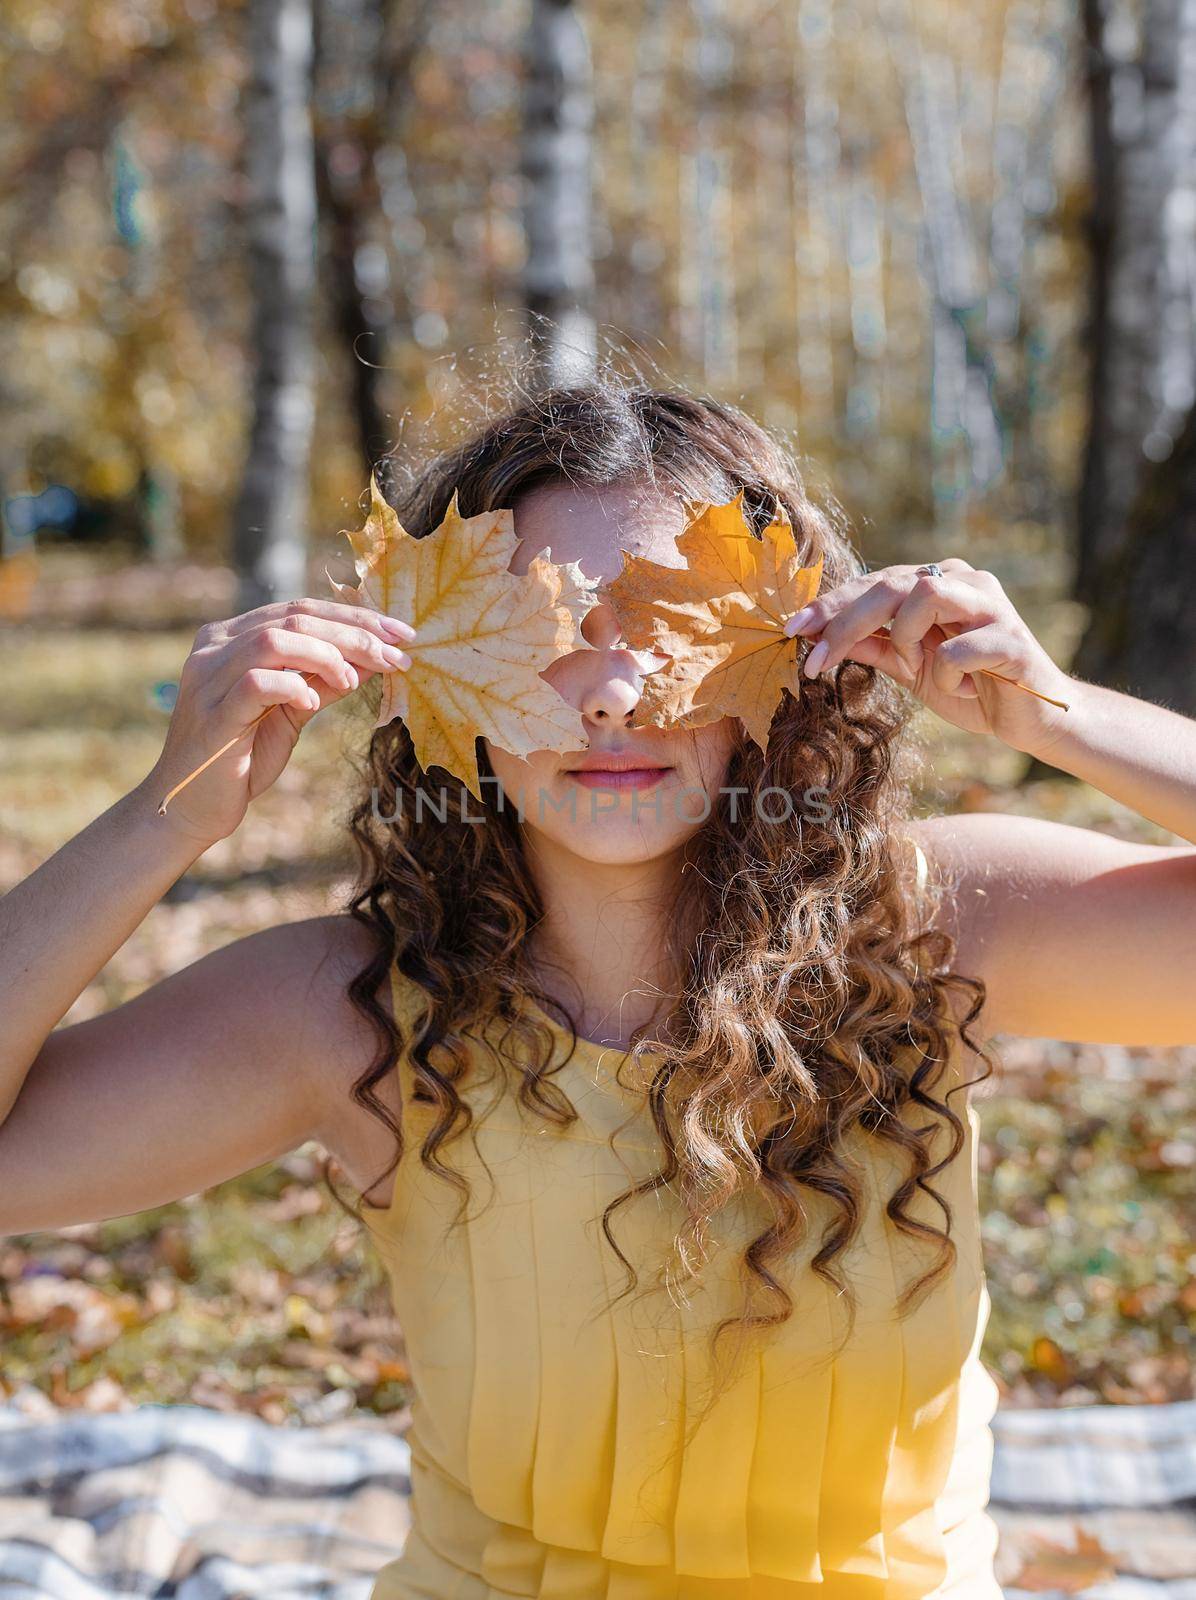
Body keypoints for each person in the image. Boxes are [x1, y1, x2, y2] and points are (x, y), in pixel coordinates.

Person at [2, 381, 1194, 1600]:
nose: (614, 689)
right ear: (433, 668)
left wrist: (1059, 714)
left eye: (674, 619)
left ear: (789, 655)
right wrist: (167, 815)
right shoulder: (351, 1008)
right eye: (537, 626)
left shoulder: (931, 926)